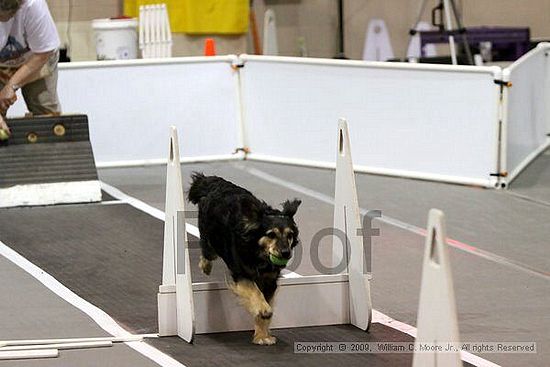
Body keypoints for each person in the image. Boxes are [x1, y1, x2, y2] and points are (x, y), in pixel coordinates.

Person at [0, 0, 60, 136]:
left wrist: (11, 86)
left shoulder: (34, 4)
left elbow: (43, 53)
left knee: (46, 114)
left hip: (37, 58)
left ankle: (51, 152)